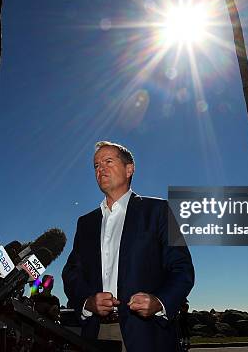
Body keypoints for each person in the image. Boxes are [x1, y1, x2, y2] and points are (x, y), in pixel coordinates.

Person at [62, 141, 194, 351]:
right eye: (96, 165)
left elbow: (182, 268)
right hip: (95, 334)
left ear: (129, 168)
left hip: (147, 335)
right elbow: (71, 272)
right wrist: (87, 302)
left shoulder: (159, 211)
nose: (101, 169)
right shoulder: (85, 223)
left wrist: (159, 302)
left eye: (108, 161)